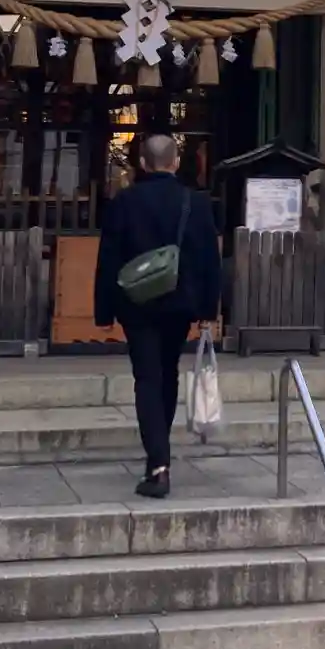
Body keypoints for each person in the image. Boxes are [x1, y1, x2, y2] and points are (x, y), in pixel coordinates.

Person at [95, 134, 222, 498]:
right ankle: (159, 454)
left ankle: (158, 463)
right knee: (168, 374)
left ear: (143, 163)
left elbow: (109, 258)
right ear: (175, 162)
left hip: (137, 304)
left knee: (147, 378)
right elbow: (209, 260)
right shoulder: (194, 202)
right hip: (180, 302)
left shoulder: (124, 201)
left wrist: (104, 310)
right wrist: (208, 310)